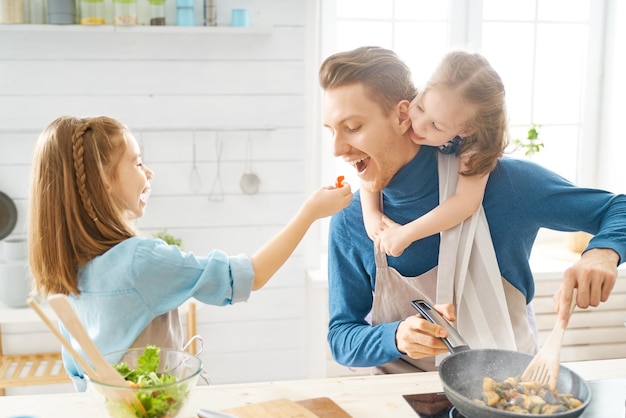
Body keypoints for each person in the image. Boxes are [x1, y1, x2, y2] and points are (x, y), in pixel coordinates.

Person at [320, 46, 626, 374]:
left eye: (352, 127)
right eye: (330, 131)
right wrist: (394, 337)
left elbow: (617, 208)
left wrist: (601, 253)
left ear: (402, 115)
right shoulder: (351, 219)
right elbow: (342, 338)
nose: (337, 149)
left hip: (507, 393)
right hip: (402, 399)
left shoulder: (507, 185)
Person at [28, 115, 353, 390]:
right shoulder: (140, 262)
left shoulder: (69, 268)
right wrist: (310, 211)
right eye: (138, 162)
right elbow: (251, 275)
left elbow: (78, 371)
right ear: (103, 180)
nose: (149, 172)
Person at [361, 50, 507, 257]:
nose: (418, 126)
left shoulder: (477, 144)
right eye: (420, 108)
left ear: (465, 130)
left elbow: (466, 202)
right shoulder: (405, 108)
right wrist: (371, 214)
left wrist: (407, 233)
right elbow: (371, 158)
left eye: (436, 126)